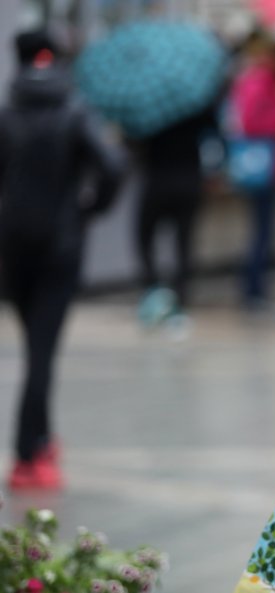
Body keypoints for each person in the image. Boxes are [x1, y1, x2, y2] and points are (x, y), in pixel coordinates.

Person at [0, 30, 125, 489]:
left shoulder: (7, 115)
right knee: (41, 352)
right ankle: (26, 455)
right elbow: (112, 167)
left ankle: (41, 438)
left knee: (37, 346)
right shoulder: (75, 113)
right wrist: (89, 210)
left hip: (12, 250)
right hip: (60, 248)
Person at [135, 105, 218, 331]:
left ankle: (154, 289)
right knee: (183, 242)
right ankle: (180, 297)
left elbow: (136, 139)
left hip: (157, 180)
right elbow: (213, 134)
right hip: (189, 180)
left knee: (145, 236)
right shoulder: (195, 102)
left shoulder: (147, 106)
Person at [228, 38, 275, 310]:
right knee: (261, 230)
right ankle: (253, 288)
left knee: (264, 229)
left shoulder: (270, 81)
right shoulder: (261, 81)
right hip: (262, 166)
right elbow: (250, 121)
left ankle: (256, 286)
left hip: (270, 167)